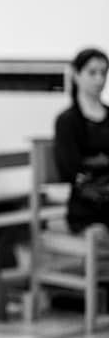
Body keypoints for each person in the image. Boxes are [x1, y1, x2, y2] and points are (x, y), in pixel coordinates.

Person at [54, 47, 109, 234]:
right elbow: (70, 170)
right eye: (92, 73)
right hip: (87, 207)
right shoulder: (68, 120)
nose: (99, 79)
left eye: (103, 72)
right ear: (77, 75)